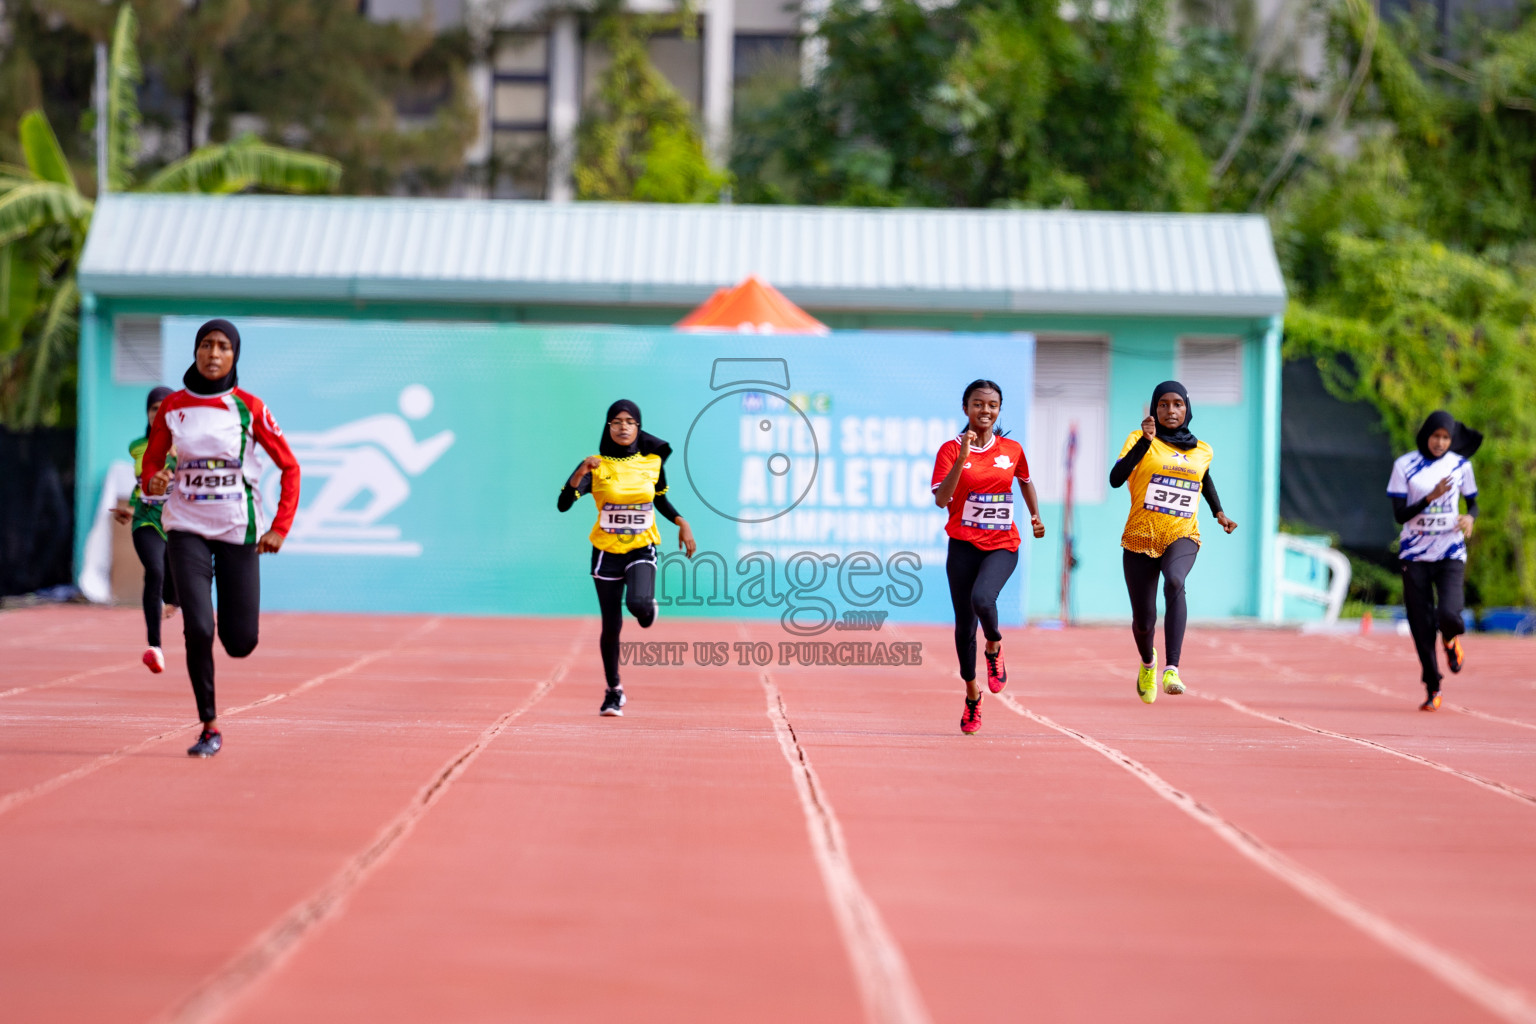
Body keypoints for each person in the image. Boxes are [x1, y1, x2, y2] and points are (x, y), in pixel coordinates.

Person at [142, 320, 301, 757]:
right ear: (195, 353)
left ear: (235, 356)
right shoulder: (174, 407)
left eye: (223, 347)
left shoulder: (249, 408)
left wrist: (279, 528)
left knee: (240, 641)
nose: (214, 354)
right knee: (198, 627)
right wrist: (154, 482)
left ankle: (219, 625)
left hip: (237, 530)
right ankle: (209, 726)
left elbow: (291, 467)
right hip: (186, 527)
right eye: (206, 345)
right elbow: (153, 465)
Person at [558, 400, 695, 717]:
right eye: (616, 421)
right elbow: (564, 504)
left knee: (638, 605)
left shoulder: (651, 463)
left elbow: (660, 499)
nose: (623, 427)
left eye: (630, 422)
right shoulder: (595, 466)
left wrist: (682, 523)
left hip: (641, 546)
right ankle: (613, 692)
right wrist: (580, 473)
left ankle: (647, 609)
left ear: (638, 428)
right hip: (606, 551)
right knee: (611, 625)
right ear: (608, 427)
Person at [1110, 380, 1237, 704]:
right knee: (1143, 622)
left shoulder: (1202, 449)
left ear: (1187, 409)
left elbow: (1203, 478)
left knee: (1176, 581)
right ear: (1154, 408)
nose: (1170, 410)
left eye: (1177, 404)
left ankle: (1172, 669)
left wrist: (1219, 512)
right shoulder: (1139, 440)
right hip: (1140, 535)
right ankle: (1148, 663)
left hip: (1182, 533)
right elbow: (1115, 479)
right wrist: (1146, 443)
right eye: (1164, 404)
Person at [931, 379, 1045, 735]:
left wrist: (1035, 515)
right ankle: (971, 694)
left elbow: (1024, 480)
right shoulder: (950, 450)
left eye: (992, 405)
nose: (986, 411)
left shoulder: (1011, 449)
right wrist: (963, 459)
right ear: (966, 408)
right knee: (964, 626)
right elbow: (941, 499)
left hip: (1001, 543)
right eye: (978, 404)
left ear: (999, 410)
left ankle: (994, 646)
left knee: (984, 599)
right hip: (963, 545)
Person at [1387, 410, 1481, 711]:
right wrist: (1430, 497)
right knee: (1421, 624)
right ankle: (1433, 686)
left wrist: (1470, 517)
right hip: (1414, 554)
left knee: (1449, 614)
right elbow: (1400, 514)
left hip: (1450, 550)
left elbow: (1474, 503)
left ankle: (1451, 640)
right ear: (1425, 435)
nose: (1440, 443)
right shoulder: (1405, 466)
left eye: (1445, 438)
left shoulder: (1460, 465)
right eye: (1435, 436)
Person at [115, 386, 180, 673]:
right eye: (154, 408)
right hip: (146, 520)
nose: (159, 413)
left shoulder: (189, 445)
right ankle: (155, 647)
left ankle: (173, 600)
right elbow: (142, 481)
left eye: (164, 407)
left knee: (178, 577)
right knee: (155, 570)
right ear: (148, 413)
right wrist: (130, 507)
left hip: (178, 523)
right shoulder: (138, 447)